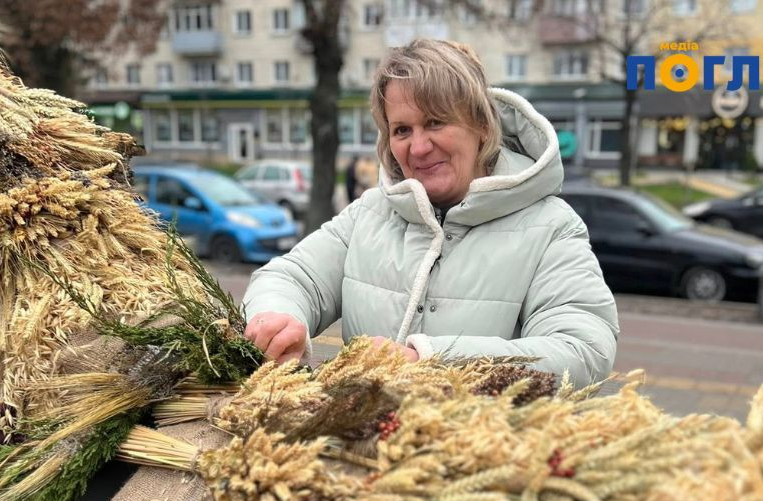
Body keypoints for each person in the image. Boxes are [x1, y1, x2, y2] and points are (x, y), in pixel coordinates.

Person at [243, 39, 618, 387]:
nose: (419, 147)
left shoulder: (552, 226)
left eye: (436, 122)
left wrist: (431, 362)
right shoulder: (370, 213)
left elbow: (583, 350)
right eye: (402, 130)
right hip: (360, 436)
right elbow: (290, 277)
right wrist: (279, 320)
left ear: (482, 126)